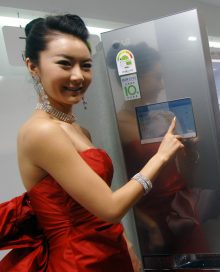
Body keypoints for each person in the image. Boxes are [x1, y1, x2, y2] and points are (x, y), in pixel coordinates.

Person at [0, 14, 184, 271]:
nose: (78, 76)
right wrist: (160, 157)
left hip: (108, 250)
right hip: (78, 261)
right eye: (65, 64)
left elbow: (96, 203)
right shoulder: (41, 132)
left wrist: (124, 242)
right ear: (33, 66)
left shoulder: (78, 129)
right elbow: (110, 208)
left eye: (85, 65)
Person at [106, 42, 212, 255]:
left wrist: (190, 152)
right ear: (136, 79)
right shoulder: (118, 125)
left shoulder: (166, 118)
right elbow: (115, 187)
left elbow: (188, 176)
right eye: (157, 77)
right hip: (151, 217)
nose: (162, 85)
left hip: (182, 210)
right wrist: (149, 225)